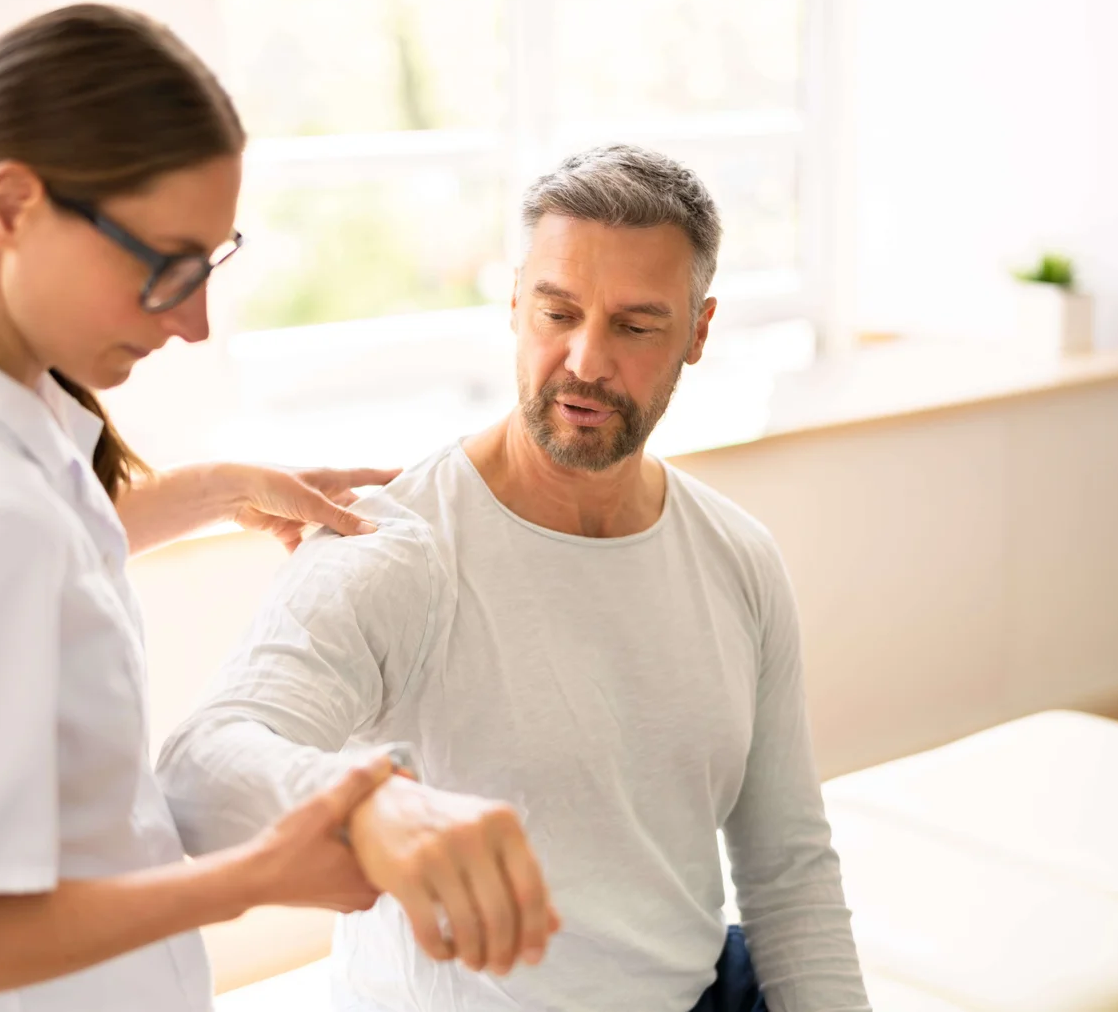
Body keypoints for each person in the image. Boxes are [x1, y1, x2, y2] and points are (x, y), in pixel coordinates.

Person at [0, 4, 558, 1012]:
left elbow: (28, 562)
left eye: (210, 263)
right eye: (166, 267)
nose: (194, 322)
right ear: (13, 207)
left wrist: (220, 487)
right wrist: (254, 876)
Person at [158, 145, 873, 1012]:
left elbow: (788, 867)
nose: (585, 360)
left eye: (635, 326)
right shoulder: (396, 546)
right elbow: (198, 771)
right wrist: (368, 812)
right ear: (513, 303)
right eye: (557, 312)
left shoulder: (737, 556)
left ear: (698, 330)